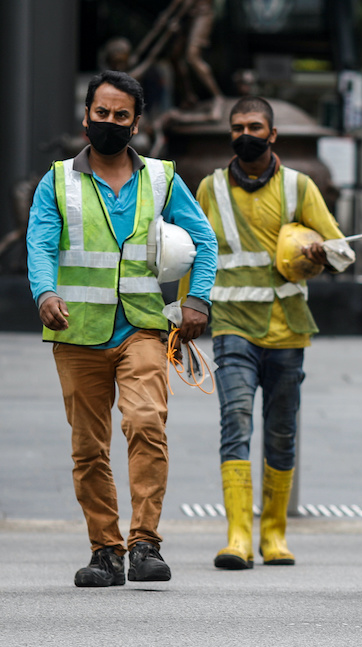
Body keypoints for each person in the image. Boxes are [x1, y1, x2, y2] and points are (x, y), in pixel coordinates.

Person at [25, 70, 218, 587]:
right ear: (86, 116)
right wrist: (45, 293)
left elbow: (204, 238)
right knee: (88, 448)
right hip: (76, 332)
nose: (109, 122)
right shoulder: (59, 180)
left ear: (136, 124)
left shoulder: (161, 179)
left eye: (120, 116)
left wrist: (196, 299)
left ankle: (145, 544)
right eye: (101, 113)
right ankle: (105, 551)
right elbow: (40, 244)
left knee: (146, 424)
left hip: (142, 328)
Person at [189, 96, 347, 570]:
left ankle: (273, 534)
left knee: (281, 434)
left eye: (254, 126)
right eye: (237, 126)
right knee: (235, 421)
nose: (245, 134)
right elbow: (194, 254)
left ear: (272, 134)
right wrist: (185, 313)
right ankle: (238, 535)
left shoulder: (301, 187)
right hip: (232, 326)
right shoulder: (210, 190)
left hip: (287, 332)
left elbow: (343, 251)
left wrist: (321, 252)